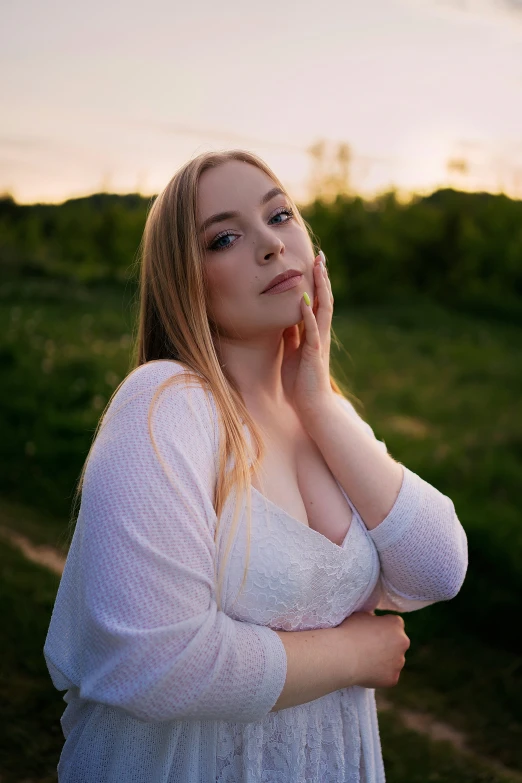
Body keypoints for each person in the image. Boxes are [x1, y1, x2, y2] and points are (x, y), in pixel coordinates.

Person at [44, 148, 468, 782]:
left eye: (281, 214)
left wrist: (319, 404)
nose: (271, 245)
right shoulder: (166, 403)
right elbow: (158, 664)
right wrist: (353, 655)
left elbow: (439, 567)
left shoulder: (322, 414)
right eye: (225, 237)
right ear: (183, 279)